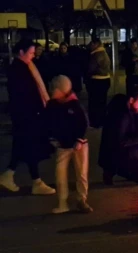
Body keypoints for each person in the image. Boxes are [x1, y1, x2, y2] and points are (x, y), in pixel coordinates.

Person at [0, 39, 55, 195]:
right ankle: (35, 181)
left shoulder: (23, 67)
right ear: (22, 52)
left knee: (23, 146)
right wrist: (39, 111)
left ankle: (11, 175)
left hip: (25, 115)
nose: (33, 55)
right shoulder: (19, 70)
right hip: (27, 116)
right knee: (29, 146)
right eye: (30, 52)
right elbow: (25, 95)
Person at [98, 85, 138, 186]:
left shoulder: (135, 109)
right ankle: (113, 170)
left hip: (130, 144)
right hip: (117, 151)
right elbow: (119, 141)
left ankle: (137, 167)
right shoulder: (120, 115)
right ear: (131, 100)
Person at [46, 75, 92, 214]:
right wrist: (51, 138)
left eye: (55, 89)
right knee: (60, 175)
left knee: (82, 173)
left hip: (79, 145)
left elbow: (84, 124)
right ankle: (62, 202)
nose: (52, 91)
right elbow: (47, 123)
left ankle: (82, 200)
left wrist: (79, 140)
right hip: (62, 145)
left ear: (62, 90)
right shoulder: (52, 105)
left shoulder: (75, 105)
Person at [86, 38, 111, 128]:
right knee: (102, 102)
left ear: (95, 44)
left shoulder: (96, 54)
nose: (90, 46)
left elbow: (90, 68)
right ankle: (101, 121)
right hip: (105, 80)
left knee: (94, 103)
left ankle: (95, 122)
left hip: (97, 81)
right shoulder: (104, 53)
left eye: (92, 44)